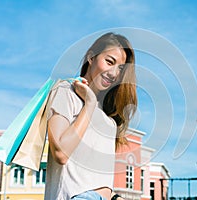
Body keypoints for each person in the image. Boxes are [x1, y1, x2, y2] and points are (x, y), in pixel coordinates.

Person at [44, 32, 137, 200]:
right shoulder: (65, 91)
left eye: (120, 68)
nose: (114, 73)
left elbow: (93, 175)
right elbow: (60, 153)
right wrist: (89, 103)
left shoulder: (108, 119)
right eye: (109, 62)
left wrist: (114, 196)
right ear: (91, 57)